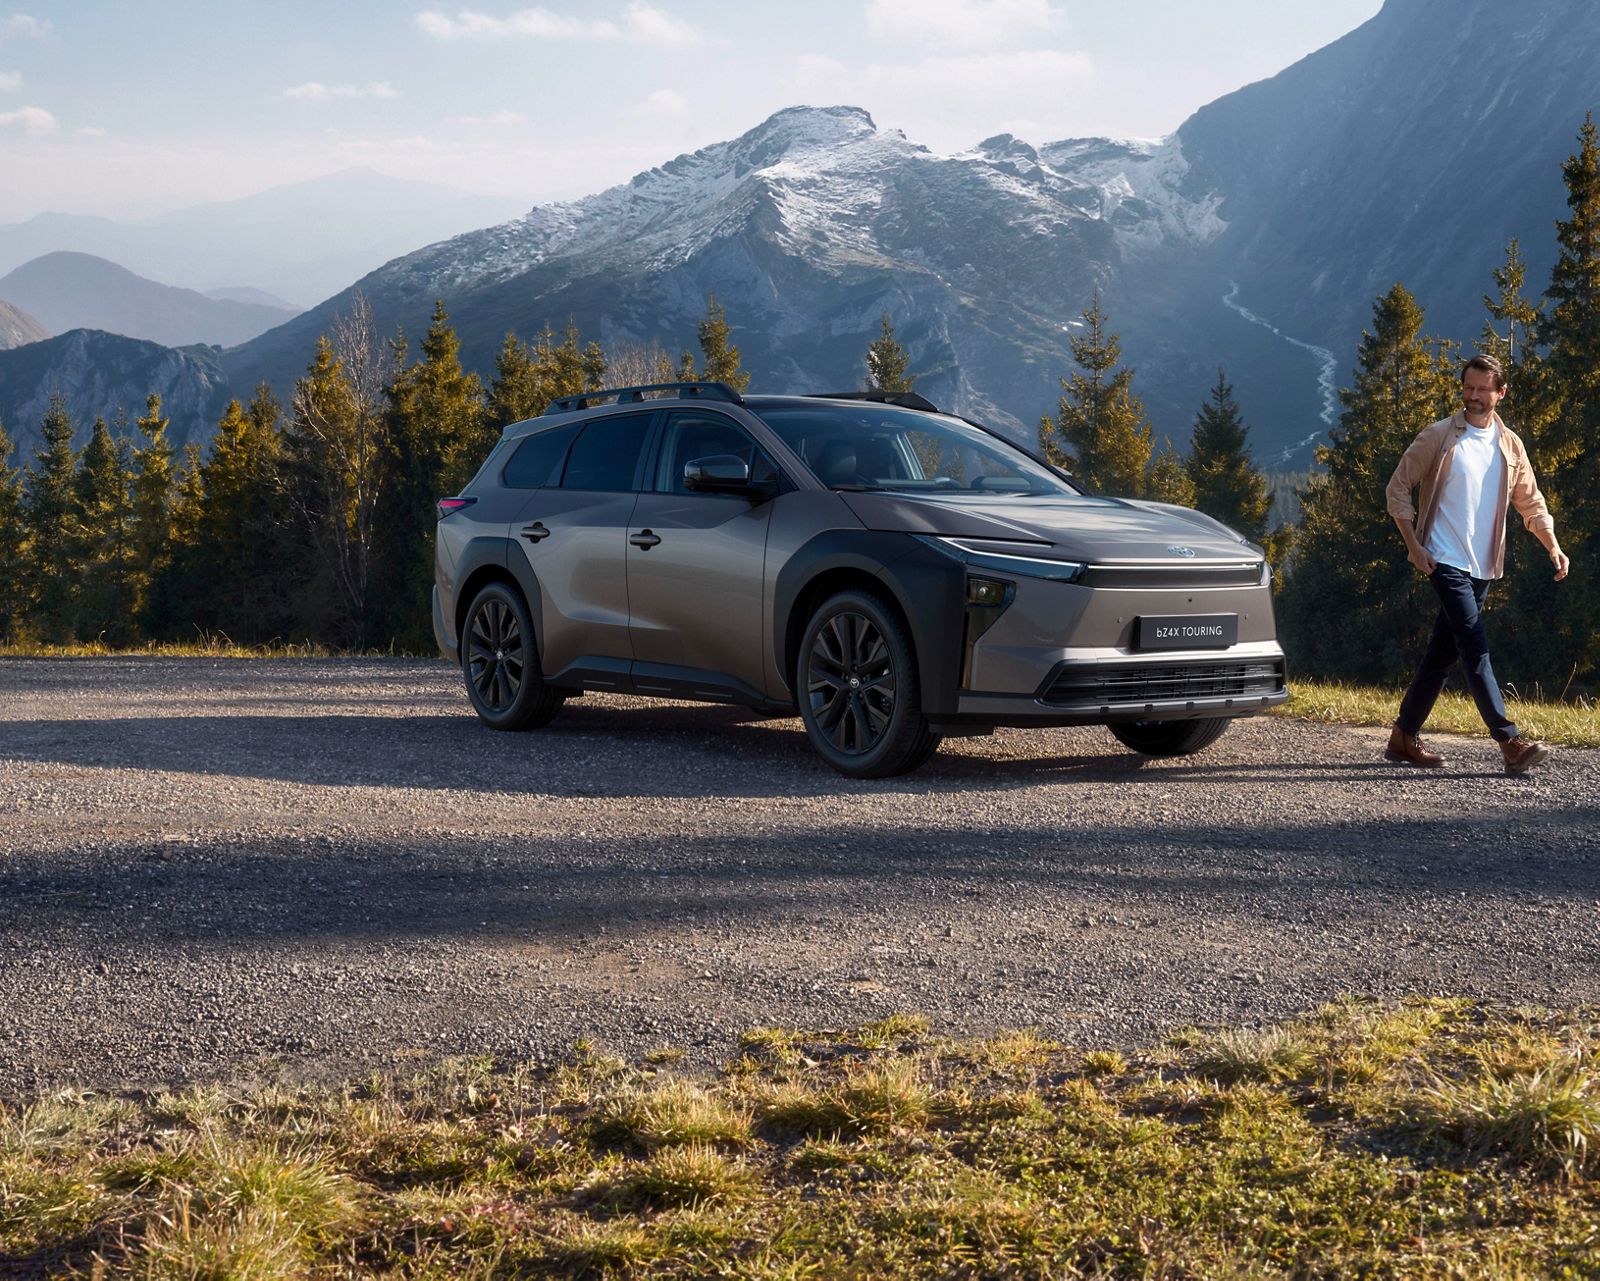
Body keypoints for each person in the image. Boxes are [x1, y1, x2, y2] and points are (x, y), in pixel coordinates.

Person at [1383, 353, 1569, 774]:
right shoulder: (1440, 436)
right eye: (1469, 388)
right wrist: (1414, 545)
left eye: (1484, 389)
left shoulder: (1510, 444)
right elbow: (1398, 488)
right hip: (1443, 558)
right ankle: (1509, 741)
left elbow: (1530, 501)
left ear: (1500, 393)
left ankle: (1403, 735)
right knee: (1474, 642)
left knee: (1442, 653)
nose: (1474, 396)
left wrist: (1553, 546)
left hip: (1482, 565)